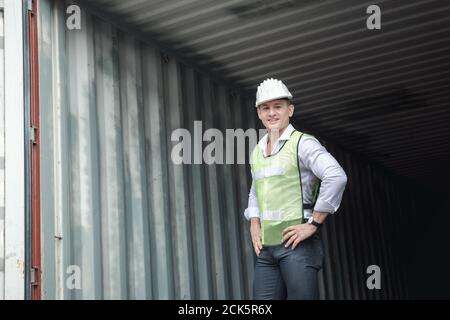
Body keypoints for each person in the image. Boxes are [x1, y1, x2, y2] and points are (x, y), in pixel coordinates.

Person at [244, 78, 347, 300]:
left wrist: (314, 224)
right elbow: (255, 191)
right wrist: (254, 222)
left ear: (290, 110)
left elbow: (336, 176)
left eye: (277, 107)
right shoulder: (257, 151)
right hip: (267, 249)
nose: (271, 113)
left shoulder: (303, 143)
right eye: (265, 108)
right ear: (259, 113)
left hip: (297, 246)